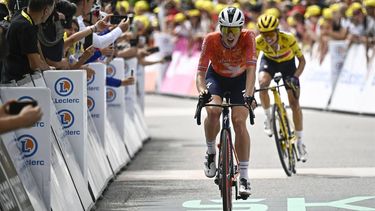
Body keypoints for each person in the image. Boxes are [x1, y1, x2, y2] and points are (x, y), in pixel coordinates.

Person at [195, 7, 257, 196]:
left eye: (235, 30)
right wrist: (202, 90)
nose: (230, 35)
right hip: (217, 78)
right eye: (226, 29)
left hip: (240, 79)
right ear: (220, 27)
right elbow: (200, 73)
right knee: (213, 110)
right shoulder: (211, 39)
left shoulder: (249, 38)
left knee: (239, 121)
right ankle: (211, 152)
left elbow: (251, 71)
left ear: (241, 29)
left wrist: (249, 94)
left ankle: (244, 176)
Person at [255, 14, 307, 162]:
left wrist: (295, 77)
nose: (268, 38)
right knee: (263, 84)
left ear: (277, 31)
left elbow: (302, 61)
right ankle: (268, 116)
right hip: (269, 62)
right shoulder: (258, 42)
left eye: (270, 33)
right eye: (264, 34)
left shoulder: (288, 38)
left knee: (294, 104)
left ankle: (300, 142)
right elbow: (252, 64)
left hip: (288, 64)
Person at [1, 0, 55, 83]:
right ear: (46, 11)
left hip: (9, 75)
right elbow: (35, 65)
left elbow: (35, 44)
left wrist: (45, 65)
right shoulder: (26, 27)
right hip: (18, 83)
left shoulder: (23, 13)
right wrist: (48, 69)